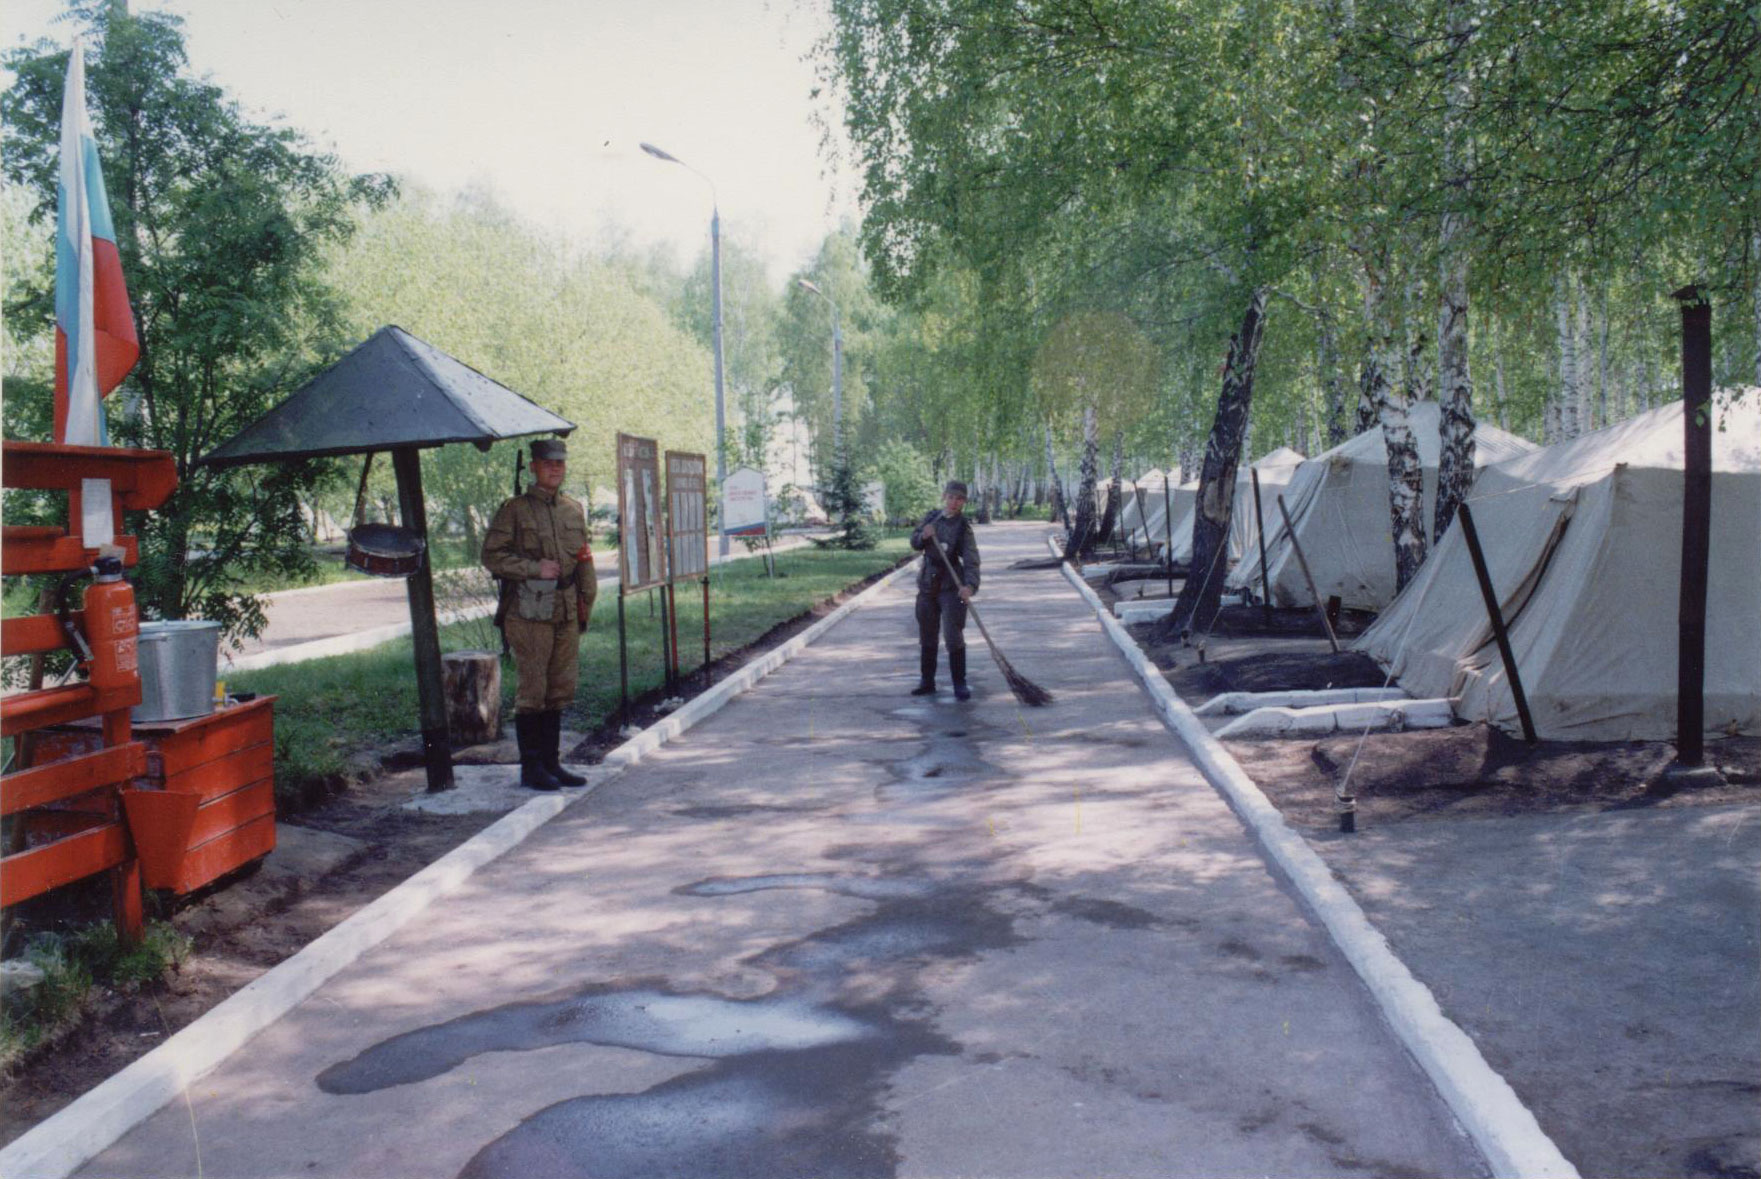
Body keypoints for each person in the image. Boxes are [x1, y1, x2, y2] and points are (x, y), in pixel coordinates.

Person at [482, 438, 597, 790]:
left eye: (560, 463)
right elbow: (492, 556)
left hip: (564, 607)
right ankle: (531, 769)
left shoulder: (573, 509)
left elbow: (583, 560)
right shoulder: (514, 510)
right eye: (547, 463)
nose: (554, 468)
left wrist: (585, 602)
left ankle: (552, 763)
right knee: (533, 689)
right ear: (533, 466)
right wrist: (532, 568)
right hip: (529, 609)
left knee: (560, 688)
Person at [910, 480, 981, 700]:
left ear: (964, 502)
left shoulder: (962, 527)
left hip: (952, 586)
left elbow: (971, 558)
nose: (954, 502)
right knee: (927, 634)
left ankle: (959, 684)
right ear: (944, 497)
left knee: (953, 635)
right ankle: (927, 681)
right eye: (951, 497)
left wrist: (970, 585)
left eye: (959, 499)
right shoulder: (931, 518)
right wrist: (923, 535)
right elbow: (914, 542)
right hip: (927, 585)